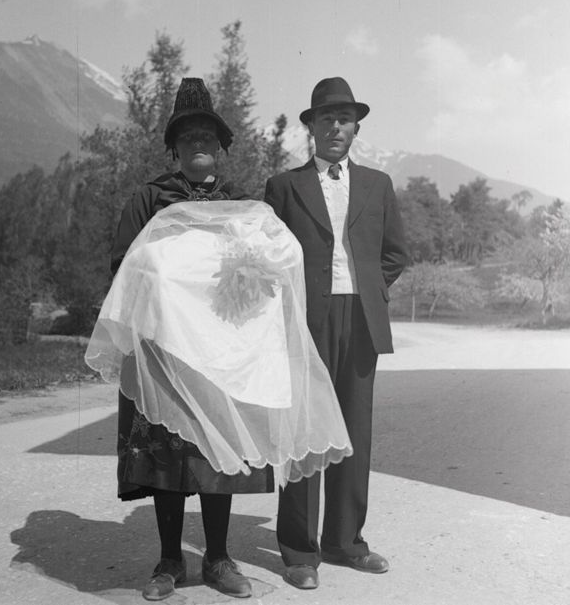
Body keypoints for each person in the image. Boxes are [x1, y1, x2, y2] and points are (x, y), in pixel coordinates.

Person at [85, 78, 353, 601]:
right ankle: (169, 559)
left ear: (220, 145)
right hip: (162, 350)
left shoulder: (239, 205)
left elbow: (264, 271)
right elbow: (124, 267)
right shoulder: (149, 199)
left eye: (207, 136)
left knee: (219, 452)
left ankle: (218, 557)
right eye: (187, 137)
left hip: (221, 355)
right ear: (175, 147)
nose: (198, 144)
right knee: (167, 456)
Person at [264, 76, 408, 589]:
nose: (335, 127)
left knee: (353, 435)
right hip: (306, 322)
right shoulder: (284, 187)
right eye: (325, 118)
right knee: (304, 432)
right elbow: (269, 257)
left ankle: (346, 542)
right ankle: (300, 551)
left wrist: (367, 290)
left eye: (344, 119)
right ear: (312, 127)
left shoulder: (378, 184)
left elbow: (395, 254)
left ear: (356, 129)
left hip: (362, 321)